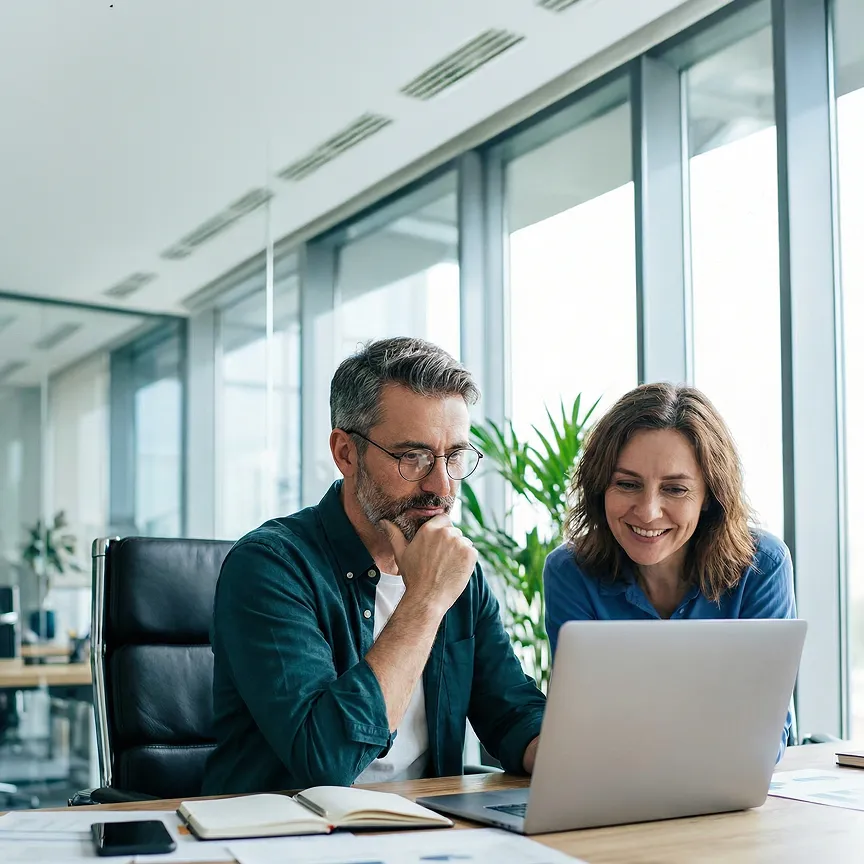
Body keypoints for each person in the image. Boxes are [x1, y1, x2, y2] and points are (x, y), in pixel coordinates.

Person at [203, 337, 545, 795]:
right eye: (413, 457)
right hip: (285, 839)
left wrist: (569, 755)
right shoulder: (270, 566)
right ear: (346, 453)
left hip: (431, 831)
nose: (441, 485)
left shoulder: (457, 572)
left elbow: (511, 712)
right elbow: (325, 762)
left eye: (454, 457)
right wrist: (424, 601)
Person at [544, 383, 796, 757]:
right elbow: (583, 729)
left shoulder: (762, 564)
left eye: (675, 490)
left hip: (734, 793)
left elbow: (767, 735)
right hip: (616, 792)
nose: (647, 512)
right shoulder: (570, 572)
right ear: (600, 487)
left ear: (709, 494)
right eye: (627, 484)